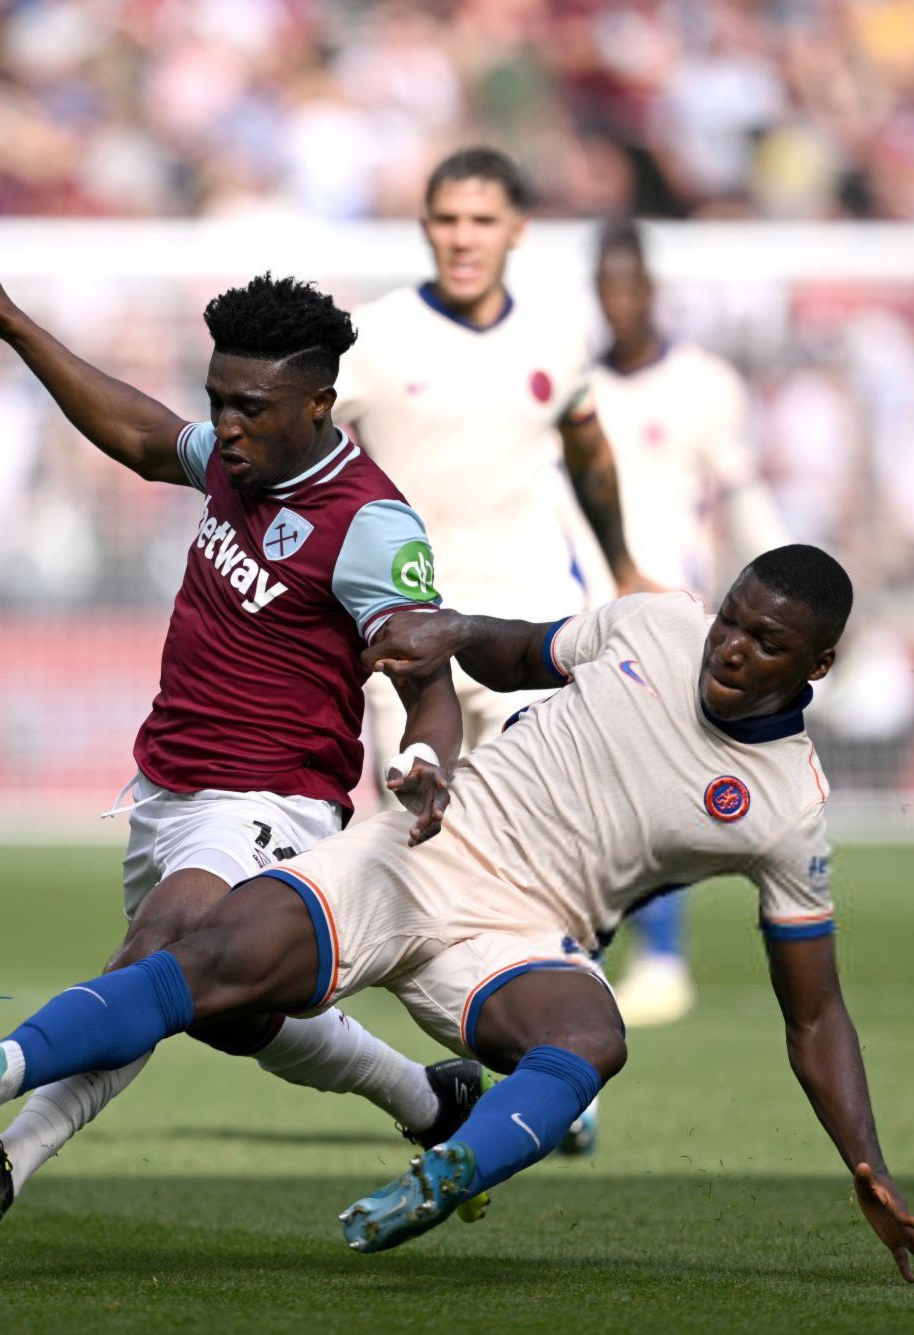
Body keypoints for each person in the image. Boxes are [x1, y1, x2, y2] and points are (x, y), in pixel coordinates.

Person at [0, 544, 914, 1280]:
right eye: (731, 620)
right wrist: (451, 632)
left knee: (593, 1036)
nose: (729, 649)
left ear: (817, 666)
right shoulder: (655, 622)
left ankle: (453, 1171)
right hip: (423, 848)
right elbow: (519, 650)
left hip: (524, 937)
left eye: (765, 642)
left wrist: (865, 1161)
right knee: (215, 955)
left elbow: (816, 1014)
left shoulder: (786, 808)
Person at [0, 244, 482, 1245]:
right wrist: (14, 322)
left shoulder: (371, 525)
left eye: (251, 406)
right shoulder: (241, 461)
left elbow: (428, 679)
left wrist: (428, 762)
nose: (227, 425)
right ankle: (430, 1101)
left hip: (273, 800)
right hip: (165, 783)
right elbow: (139, 434)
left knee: (160, 952)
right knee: (218, 1009)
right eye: (219, 401)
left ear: (319, 404)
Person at [332, 147, 651, 1151]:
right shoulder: (371, 339)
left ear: (517, 229)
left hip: (526, 635)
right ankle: (508, 1047)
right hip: (404, 642)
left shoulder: (557, 335)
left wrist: (624, 565)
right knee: (424, 860)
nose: (461, 238)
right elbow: (301, 459)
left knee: (546, 852)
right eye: (445, 219)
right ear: (425, 226)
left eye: (480, 220)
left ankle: (561, 1060)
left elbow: (588, 451)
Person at [579, 217, 792, 1028]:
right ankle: (591, 954)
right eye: (607, 286)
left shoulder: (704, 384)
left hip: (678, 615)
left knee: (654, 787)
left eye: (631, 285)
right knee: (593, 790)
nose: (620, 301)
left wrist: (791, 585)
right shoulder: (578, 387)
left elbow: (740, 493)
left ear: (652, 289)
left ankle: (661, 956)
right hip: (588, 612)